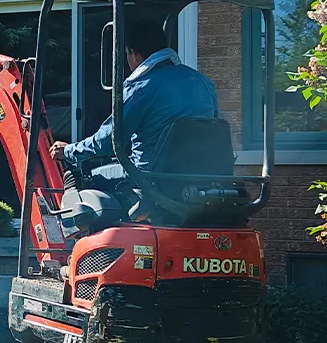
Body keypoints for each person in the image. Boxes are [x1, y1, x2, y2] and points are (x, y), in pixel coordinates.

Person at [50, 17, 218, 208]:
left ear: (135, 55)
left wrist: (69, 151)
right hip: (197, 181)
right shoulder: (203, 82)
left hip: (150, 179)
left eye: (127, 55)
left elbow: (109, 140)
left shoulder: (141, 87)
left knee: (87, 178)